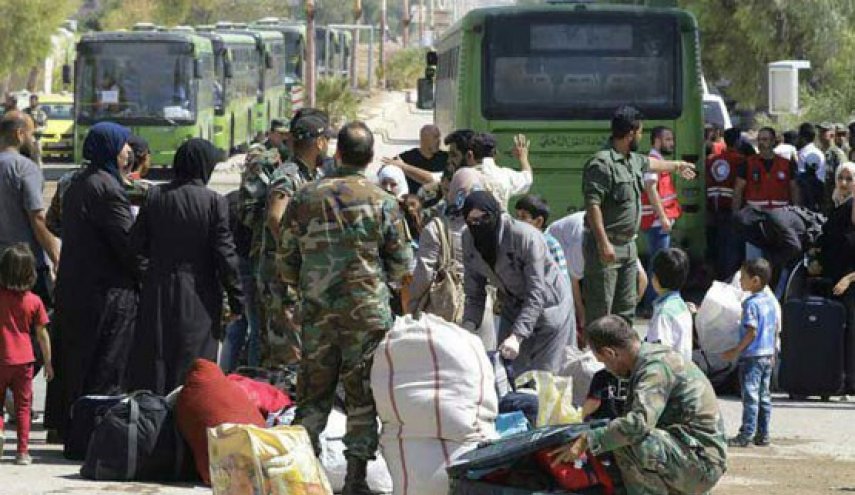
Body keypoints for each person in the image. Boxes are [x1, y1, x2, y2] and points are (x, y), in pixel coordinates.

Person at [278, 121, 412, 495]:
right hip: (366, 315)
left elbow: (285, 257)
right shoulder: (383, 202)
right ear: (369, 159)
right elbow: (402, 266)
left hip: (318, 313)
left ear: (337, 154)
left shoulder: (305, 197)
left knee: (311, 395)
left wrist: (303, 289)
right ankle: (355, 479)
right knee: (362, 395)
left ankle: (304, 477)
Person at [550, 315, 726, 494]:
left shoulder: (654, 368)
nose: (607, 369)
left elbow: (638, 425)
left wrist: (587, 440)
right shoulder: (648, 359)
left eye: (603, 362)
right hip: (687, 454)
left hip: (701, 464)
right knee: (616, 435)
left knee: (629, 440)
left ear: (611, 353)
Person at [128, 138, 244, 395]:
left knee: (156, 360)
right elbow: (225, 255)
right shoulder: (214, 202)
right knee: (195, 362)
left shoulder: (155, 196)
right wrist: (237, 300)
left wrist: (149, 274)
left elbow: (135, 245)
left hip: (157, 291)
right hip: (200, 295)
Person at [52, 122, 139, 441]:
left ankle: (69, 426)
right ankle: (93, 433)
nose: (127, 152)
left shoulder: (78, 183)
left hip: (76, 286)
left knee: (76, 361)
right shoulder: (108, 189)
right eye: (122, 146)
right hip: (107, 294)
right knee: (105, 364)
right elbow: (127, 244)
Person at [582, 106, 696, 323]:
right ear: (631, 133)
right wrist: (603, 243)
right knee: (601, 310)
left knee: (625, 309)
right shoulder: (602, 163)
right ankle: (597, 354)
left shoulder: (633, 159)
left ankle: (619, 354)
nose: (642, 137)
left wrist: (678, 165)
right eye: (641, 132)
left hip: (628, 246)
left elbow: (653, 163)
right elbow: (593, 205)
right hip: (607, 247)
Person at [461, 191, 575, 374]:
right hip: (513, 305)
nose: (478, 224)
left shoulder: (525, 237)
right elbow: (474, 292)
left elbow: (536, 292)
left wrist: (517, 336)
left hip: (549, 307)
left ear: (495, 214)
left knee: (544, 378)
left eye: (484, 218)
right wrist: (468, 327)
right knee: (506, 372)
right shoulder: (468, 239)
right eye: (472, 220)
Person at [263, 112, 332, 365]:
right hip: (284, 281)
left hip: (297, 278)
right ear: (320, 143)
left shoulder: (310, 175)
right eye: (327, 139)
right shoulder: (289, 175)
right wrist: (300, 250)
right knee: (288, 354)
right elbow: (274, 217)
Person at [547, 210, 649, 345]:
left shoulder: (623, 242)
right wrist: (582, 315)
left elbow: (643, 280)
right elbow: (573, 282)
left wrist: (627, 307)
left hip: (589, 252)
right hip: (558, 246)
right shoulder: (581, 247)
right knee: (578, 317)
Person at [0, 244, 53, 465]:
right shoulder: (34, 301)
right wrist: (48, 362)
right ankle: (22, 452)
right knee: (23, 408)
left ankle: (0, 433)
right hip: (24, 361)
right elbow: (42, 335)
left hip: (1, 359)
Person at [0, 113, 59, 294]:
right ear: (20, 134)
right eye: (32, 135)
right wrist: (56, 257)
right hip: (25, 264)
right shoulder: (25, 167)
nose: (33, 141)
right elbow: (38, 218)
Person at [722, 258, 777, 448]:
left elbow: (751, 331)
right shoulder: (770, 302)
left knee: (751, 396)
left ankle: (745, 434)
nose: (740, 281)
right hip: (767, 354)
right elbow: (774, 328)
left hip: (752, 356)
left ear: (755, 281)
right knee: (764, 396)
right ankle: (763, 434)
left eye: (743, 278)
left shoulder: (750, 304)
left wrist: (735, 351)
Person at [640, 126, 682, 314]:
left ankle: (653, 304)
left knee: (658, 263)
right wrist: (663, 217)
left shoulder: (659, 160)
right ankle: (652, 305)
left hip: (659, 221)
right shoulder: (653, 161)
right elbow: (651, 189)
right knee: (659, 266)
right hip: (657, 222)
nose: (671, 143)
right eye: (667, 139)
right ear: (656, 141)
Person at [706, 127, 745, 280]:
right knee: (730, 245)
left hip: (713, 206)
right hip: (730, 207)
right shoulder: (740, 160)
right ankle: (728, 277)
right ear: (738, 141)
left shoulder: (712, 160)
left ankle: (717, 275)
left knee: (717, 244)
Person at [460, 132, 533, 211]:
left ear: (469, 155)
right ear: (496, 154)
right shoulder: (506, 176)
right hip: (499, 222)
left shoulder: (462, 177)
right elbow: (527, 178)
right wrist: (523, 158)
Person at [733, 127, 800, 212]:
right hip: (754, 215)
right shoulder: (748, 163)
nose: (761, 142)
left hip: (780, 215)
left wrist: (796, 211)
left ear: (773, 141)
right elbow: (738, 190)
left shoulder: (787, 164)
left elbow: (794, 189)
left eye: (765, 140)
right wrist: (736, 215)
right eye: (759, 140)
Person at [646, 248, 693, 361]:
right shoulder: (681, 306)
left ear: (655, 278)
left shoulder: (663, 313)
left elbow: (659, 352)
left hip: (668, 374)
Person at [514, 194, 570, 280]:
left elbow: (562, 280)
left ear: (538, 221)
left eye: (523, 217)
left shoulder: (550, 244)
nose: (517, 222)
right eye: (516, 216)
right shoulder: (515, 244)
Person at [381, 124, 449, 194]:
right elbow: (387, 168)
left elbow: (431, 179)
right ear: (424, 139)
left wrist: (403, 167)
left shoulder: (447, 158)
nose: (439, 141)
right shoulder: (408, 157)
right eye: (435, 137)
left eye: (439, 137)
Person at [794, 123, 825, 211]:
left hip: (809, 200)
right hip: (816, 197)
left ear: (802, 138)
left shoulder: (805, 154)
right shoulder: (818, 152)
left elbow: (803, 181)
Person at [23, 95, 47, 166]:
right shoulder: (25, 112)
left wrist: (36, 130)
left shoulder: (41, 113)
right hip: (27, 139)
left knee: (37, 157)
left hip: (37, 138)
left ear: (37, 101)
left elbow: (44, 126)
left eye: (33, 101)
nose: (32, 102)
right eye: (31, 101)